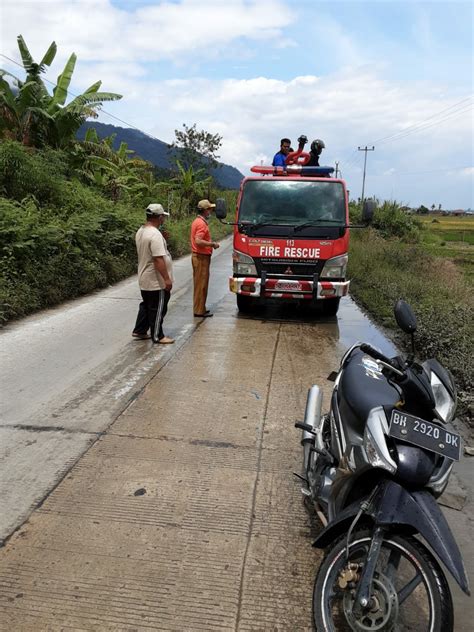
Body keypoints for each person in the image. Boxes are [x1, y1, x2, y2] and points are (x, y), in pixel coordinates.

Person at [132, 203, 174, 344]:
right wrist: (166, 279)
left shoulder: (142, 231)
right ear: (160, 217)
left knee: (147, 304)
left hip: (144, 277)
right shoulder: (154, 234)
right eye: (163, 217)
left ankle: (140, 329)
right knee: (158, 308)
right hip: (156, 280)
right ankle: (157, 335)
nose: (164, 220)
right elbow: (157, 259)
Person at [191, 199, 220, 317]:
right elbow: (198, 241)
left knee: (201, 284)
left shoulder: (197, 221)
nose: (211, 211)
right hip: (201, 257)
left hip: (200, 256)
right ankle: (199, 310)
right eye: (210, 209)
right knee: (201, 284)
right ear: (205, 211)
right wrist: (212, 244)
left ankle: (200, 308)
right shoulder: (201, 224)